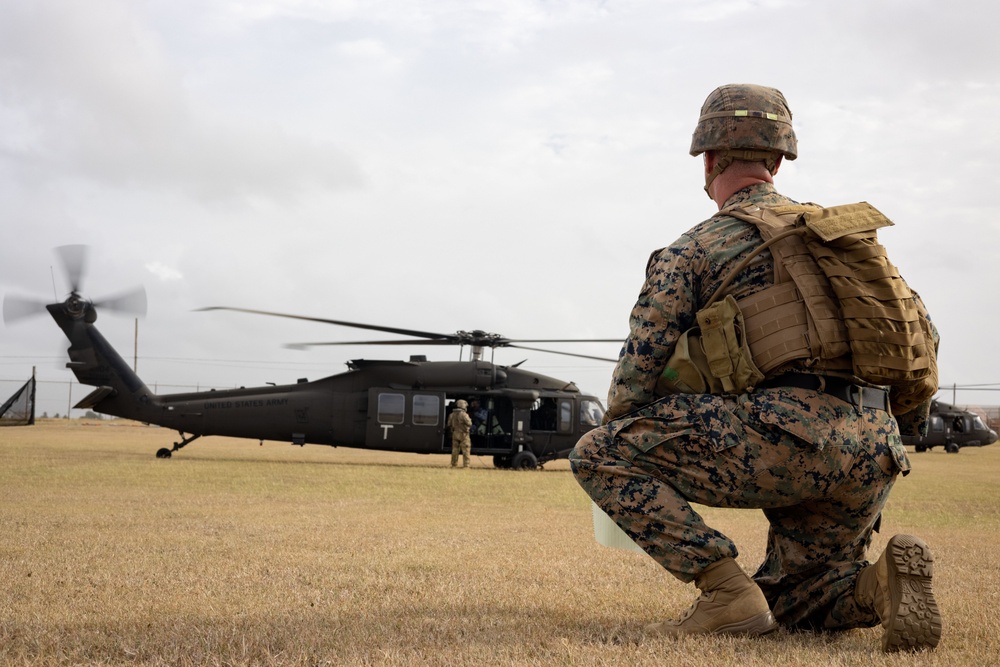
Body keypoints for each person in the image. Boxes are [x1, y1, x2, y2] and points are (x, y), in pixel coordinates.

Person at [570, 84, 942, 652]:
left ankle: (723, 592)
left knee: (599, 452)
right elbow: (922, 338)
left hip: (783, 433)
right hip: (874, 444)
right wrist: (899, 433)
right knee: (798, 599)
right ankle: (875, 584)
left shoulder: (694, 248)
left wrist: (640, 431)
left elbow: (634, 379)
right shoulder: (845, 241)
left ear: (709, 159)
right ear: (776, 160)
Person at [447, 399, 473, 468]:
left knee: (455, 450)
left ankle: (454, 464)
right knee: (466, 450)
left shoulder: (451, 414)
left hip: (455, 433)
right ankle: (466, 466)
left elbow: (449, 424)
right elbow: (469, 423)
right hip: (464, 435)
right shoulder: (464, 415)